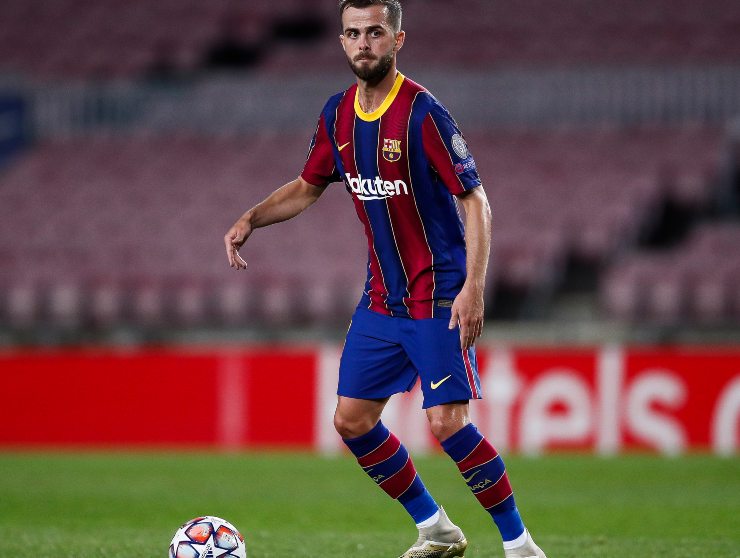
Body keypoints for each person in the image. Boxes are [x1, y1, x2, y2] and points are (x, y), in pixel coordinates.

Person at [224, 1, 547, 557]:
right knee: (351, 421)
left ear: (398, 40)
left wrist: (473, 286)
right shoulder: (336, 115)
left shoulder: (423, 113)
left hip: (438, 296)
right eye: (353, 33)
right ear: (342, 41)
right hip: (381, 301)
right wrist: (252, 217)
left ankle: (520, 547)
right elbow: (308, 185)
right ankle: (435, 528)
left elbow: (475, 198)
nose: (363, 43)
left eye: (375, 32)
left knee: (447, 424)